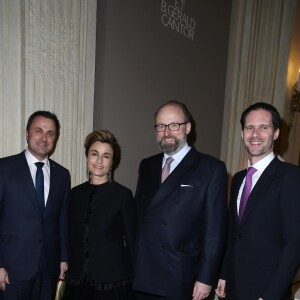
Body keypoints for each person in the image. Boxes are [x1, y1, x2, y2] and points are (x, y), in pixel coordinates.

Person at [134, 100, 228, 300]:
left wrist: (206, 278)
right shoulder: (146, 165)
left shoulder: (211, 168)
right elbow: (140, 218)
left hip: (182, 276)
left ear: (188, 127)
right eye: (161, 126)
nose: (167, 132)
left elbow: (215, 231)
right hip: (144, 274)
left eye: (174, 125)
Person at [215, 102, 300, 300]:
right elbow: (233, 234)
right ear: (242, 133)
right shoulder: (237, 178)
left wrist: (271, 295)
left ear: (276, 133)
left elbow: (294, 245)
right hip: (234, 288)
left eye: (264, 127)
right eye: (249, 127)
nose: (255, 134)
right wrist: (224, 274)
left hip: (266, 290)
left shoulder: (291, 176)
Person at [0, 111, 71, 300]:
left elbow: (62, 220)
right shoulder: (4, 168)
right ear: (27, 133)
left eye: (50, 133)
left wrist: (63, 258)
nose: (44, 138)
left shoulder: (62, 175)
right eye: (38, 130)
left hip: (48, 267)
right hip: (11, 269)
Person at [62, 130, 136, 300]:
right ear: (87, 156)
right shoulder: (74, 193)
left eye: (106, 156)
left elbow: (133, 242)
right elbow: (69, 235)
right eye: (94, 154)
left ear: (112, 162)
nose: (99, 161)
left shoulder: (123, 195)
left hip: (112, 281)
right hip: (77, 279)